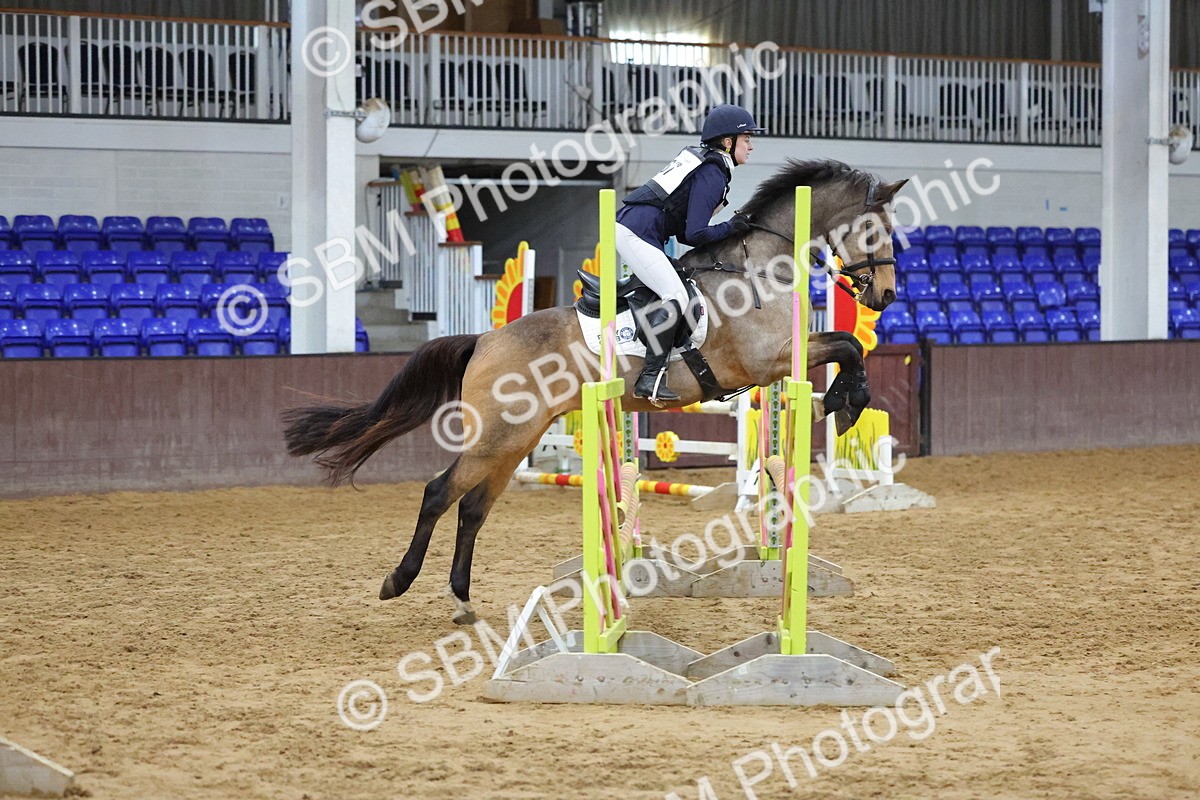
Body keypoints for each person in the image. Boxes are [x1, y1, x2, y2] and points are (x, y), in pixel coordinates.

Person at [615, 104, 764, 404]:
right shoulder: (713, 171)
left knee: (678, 284)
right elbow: (696, 234)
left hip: (640, 230)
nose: (751, 145)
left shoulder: (707, 164)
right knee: (677, 296)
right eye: (746, 138)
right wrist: (731, 228)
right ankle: (650, 378)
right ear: (727, 142)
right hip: (637, 232)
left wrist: (728, 228)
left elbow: (685, 233)